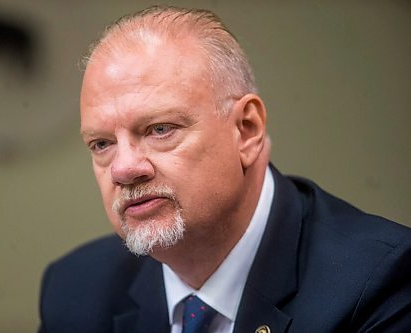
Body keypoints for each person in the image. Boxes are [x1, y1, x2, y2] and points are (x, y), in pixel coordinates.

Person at [38, 6, 411, 333]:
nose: (123, 169)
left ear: (246, 130)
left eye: (160, 129)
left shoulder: (378, 283)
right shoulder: (75, 290)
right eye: (102, 144)